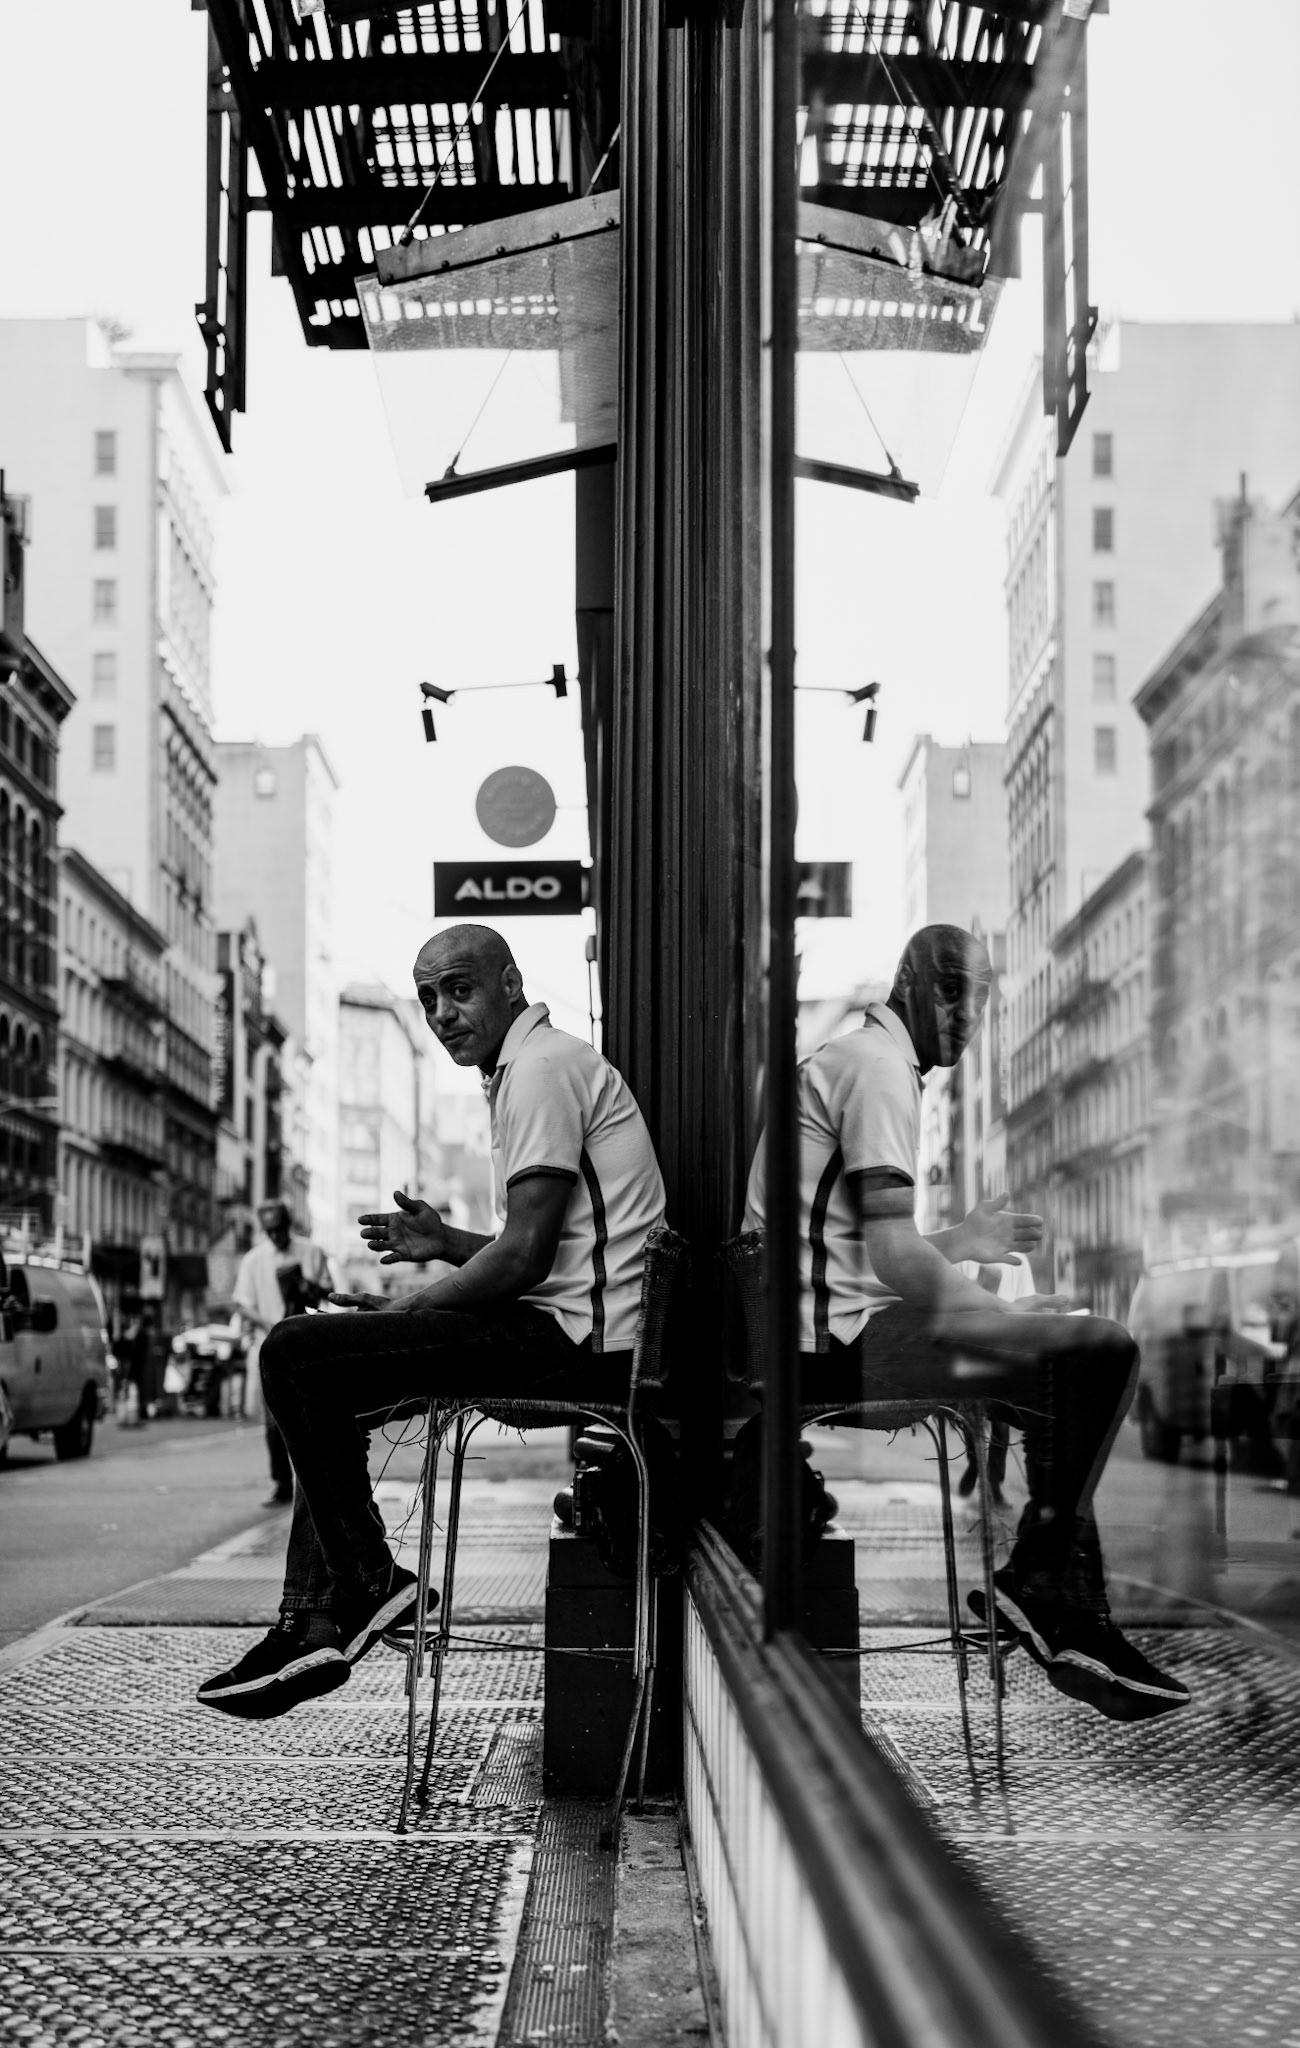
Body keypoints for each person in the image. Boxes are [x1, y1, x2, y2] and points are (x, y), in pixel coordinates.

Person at [198, 924, 667, 1718]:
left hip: (577, 1346)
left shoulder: (540, 1070)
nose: (442, 1012)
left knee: (293, 1353)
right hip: (577, 1333)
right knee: (324, 1386)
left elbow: (526, 1259)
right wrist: (446, 1242)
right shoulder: (533, 1068)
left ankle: (366, 1588)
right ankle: (314, 1621)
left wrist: (407, 1307)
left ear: (510, 984)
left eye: (459, 988)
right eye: (427, 999)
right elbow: (556, 1254)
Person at [737, 923, 1189, 1722]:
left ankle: (1061, 1600)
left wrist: (961, 1245)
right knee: (1099, 1351)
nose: (965, 1014)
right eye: (949, 988)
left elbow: (847, 1250)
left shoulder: (859, 1061)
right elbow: (893, 1260)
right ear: (907, 981)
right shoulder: (879, 1070)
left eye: (978, 997)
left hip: (814, 1331)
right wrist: (1000, 1311)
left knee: (1058, 1374)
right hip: (834, 1346)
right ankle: (1048, 1591)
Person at [233, 1202, 333, 1506]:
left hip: (306, 1347)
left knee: (310, 1414)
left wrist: (307, 1287)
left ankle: (312, 1483)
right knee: (273, 1420)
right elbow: (242, 1304)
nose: (276, 1235)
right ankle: (281, 1483)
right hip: (269, 1347)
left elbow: (327, 1291)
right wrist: (269, 1324)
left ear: (288, 1224)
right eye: (270, 1231)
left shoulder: (311, 1252)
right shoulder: (254, 1260)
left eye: (279, 1228)